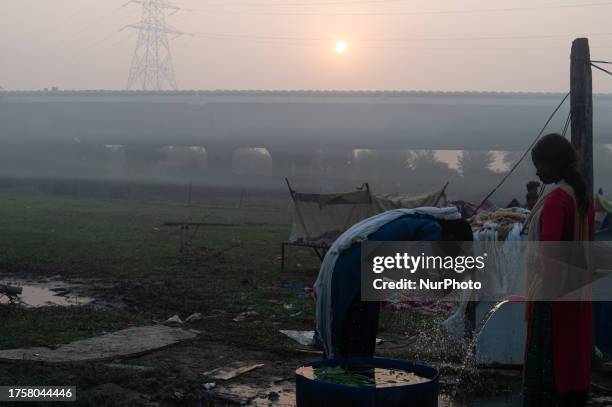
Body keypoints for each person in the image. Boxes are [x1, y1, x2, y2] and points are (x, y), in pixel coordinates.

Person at [313, 207, 473, 359]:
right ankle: (352, 378)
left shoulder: (418, 221)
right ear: (451, 239)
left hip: (350, 262)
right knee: (357, 330)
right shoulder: (432, 229)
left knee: (349, 326)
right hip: (356, 267)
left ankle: (344, 376)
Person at [523, 133, 594, 406]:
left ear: (553, 164)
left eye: (540, 165)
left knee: (550, 369)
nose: (538, 171)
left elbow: (548, 255)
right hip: (577, 293)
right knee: (573, 361)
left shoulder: (555, 201)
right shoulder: (580, 197)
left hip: (552, 297)